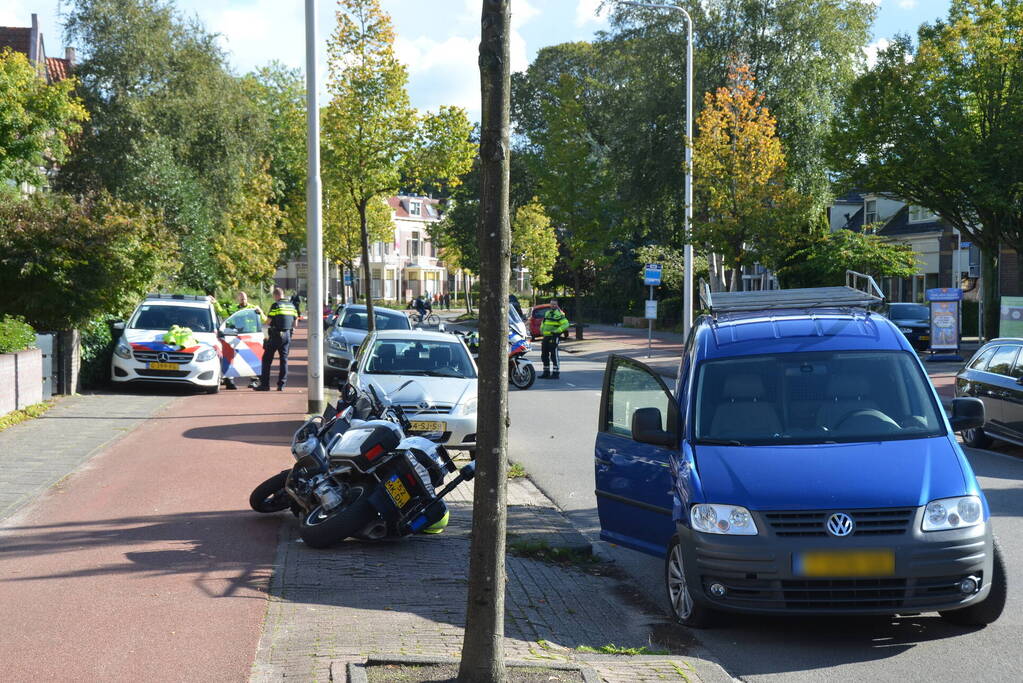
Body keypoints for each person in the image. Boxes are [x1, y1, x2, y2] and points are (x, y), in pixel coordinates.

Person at [255, 287, 298, 391]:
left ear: (276, 295)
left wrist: (261, 315)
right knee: (284, 360)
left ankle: (265, 385)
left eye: (274, 297)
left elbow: (268, 322)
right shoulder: (292, 306)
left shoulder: (276, 305)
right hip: (287, 335)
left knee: (266, 360)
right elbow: (295, 324)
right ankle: (281, 385)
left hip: (276, 335)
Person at [223, 292, 266, 390]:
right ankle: (229, 380)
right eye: (241, 299)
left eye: (245, 298)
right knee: (231, 357)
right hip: (236, 336)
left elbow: (264, 320)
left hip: (250, 336)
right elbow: (222, 313)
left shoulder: (253, 308)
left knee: (252, 358)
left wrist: (261, 312)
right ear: (238, 299)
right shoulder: (233, 308)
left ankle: (254, 380)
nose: (244, 300)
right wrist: (215, 303)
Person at [540, 299, 569, 380]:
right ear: (550, 305)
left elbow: (566, 324)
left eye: (554, 304)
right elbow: (544, 322)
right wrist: (541, 329)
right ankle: (546, 372)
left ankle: (556, 373)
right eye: (552, 304)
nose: (553, 305)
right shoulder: (547, 313)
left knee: (554, 355)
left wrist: (557, 331)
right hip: (546, 337)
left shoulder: (559, 314)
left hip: (553, 337)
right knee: (544, 355)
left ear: (557, 305)